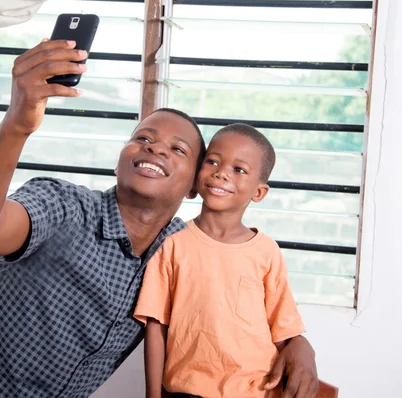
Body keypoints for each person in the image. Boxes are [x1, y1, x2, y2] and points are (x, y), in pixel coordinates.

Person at [0, 40, 319, 397]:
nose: (155, 149)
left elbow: (238, 304)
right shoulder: (61, 205)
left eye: (178, 149)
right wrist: (16, 126)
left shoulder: (183, 250)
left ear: (196, 184)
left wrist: (298, 342)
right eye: (142, 138)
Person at [134, 124, 316, 398]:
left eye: (239, 170)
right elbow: (156, 324)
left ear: (259, 192)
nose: (221, 173)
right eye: (213, 162)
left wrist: (303, 347)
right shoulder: (172, 242)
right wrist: (152, 395)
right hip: (185, 391)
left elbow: (283, 330)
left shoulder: (266, 251)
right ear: (197, 175)